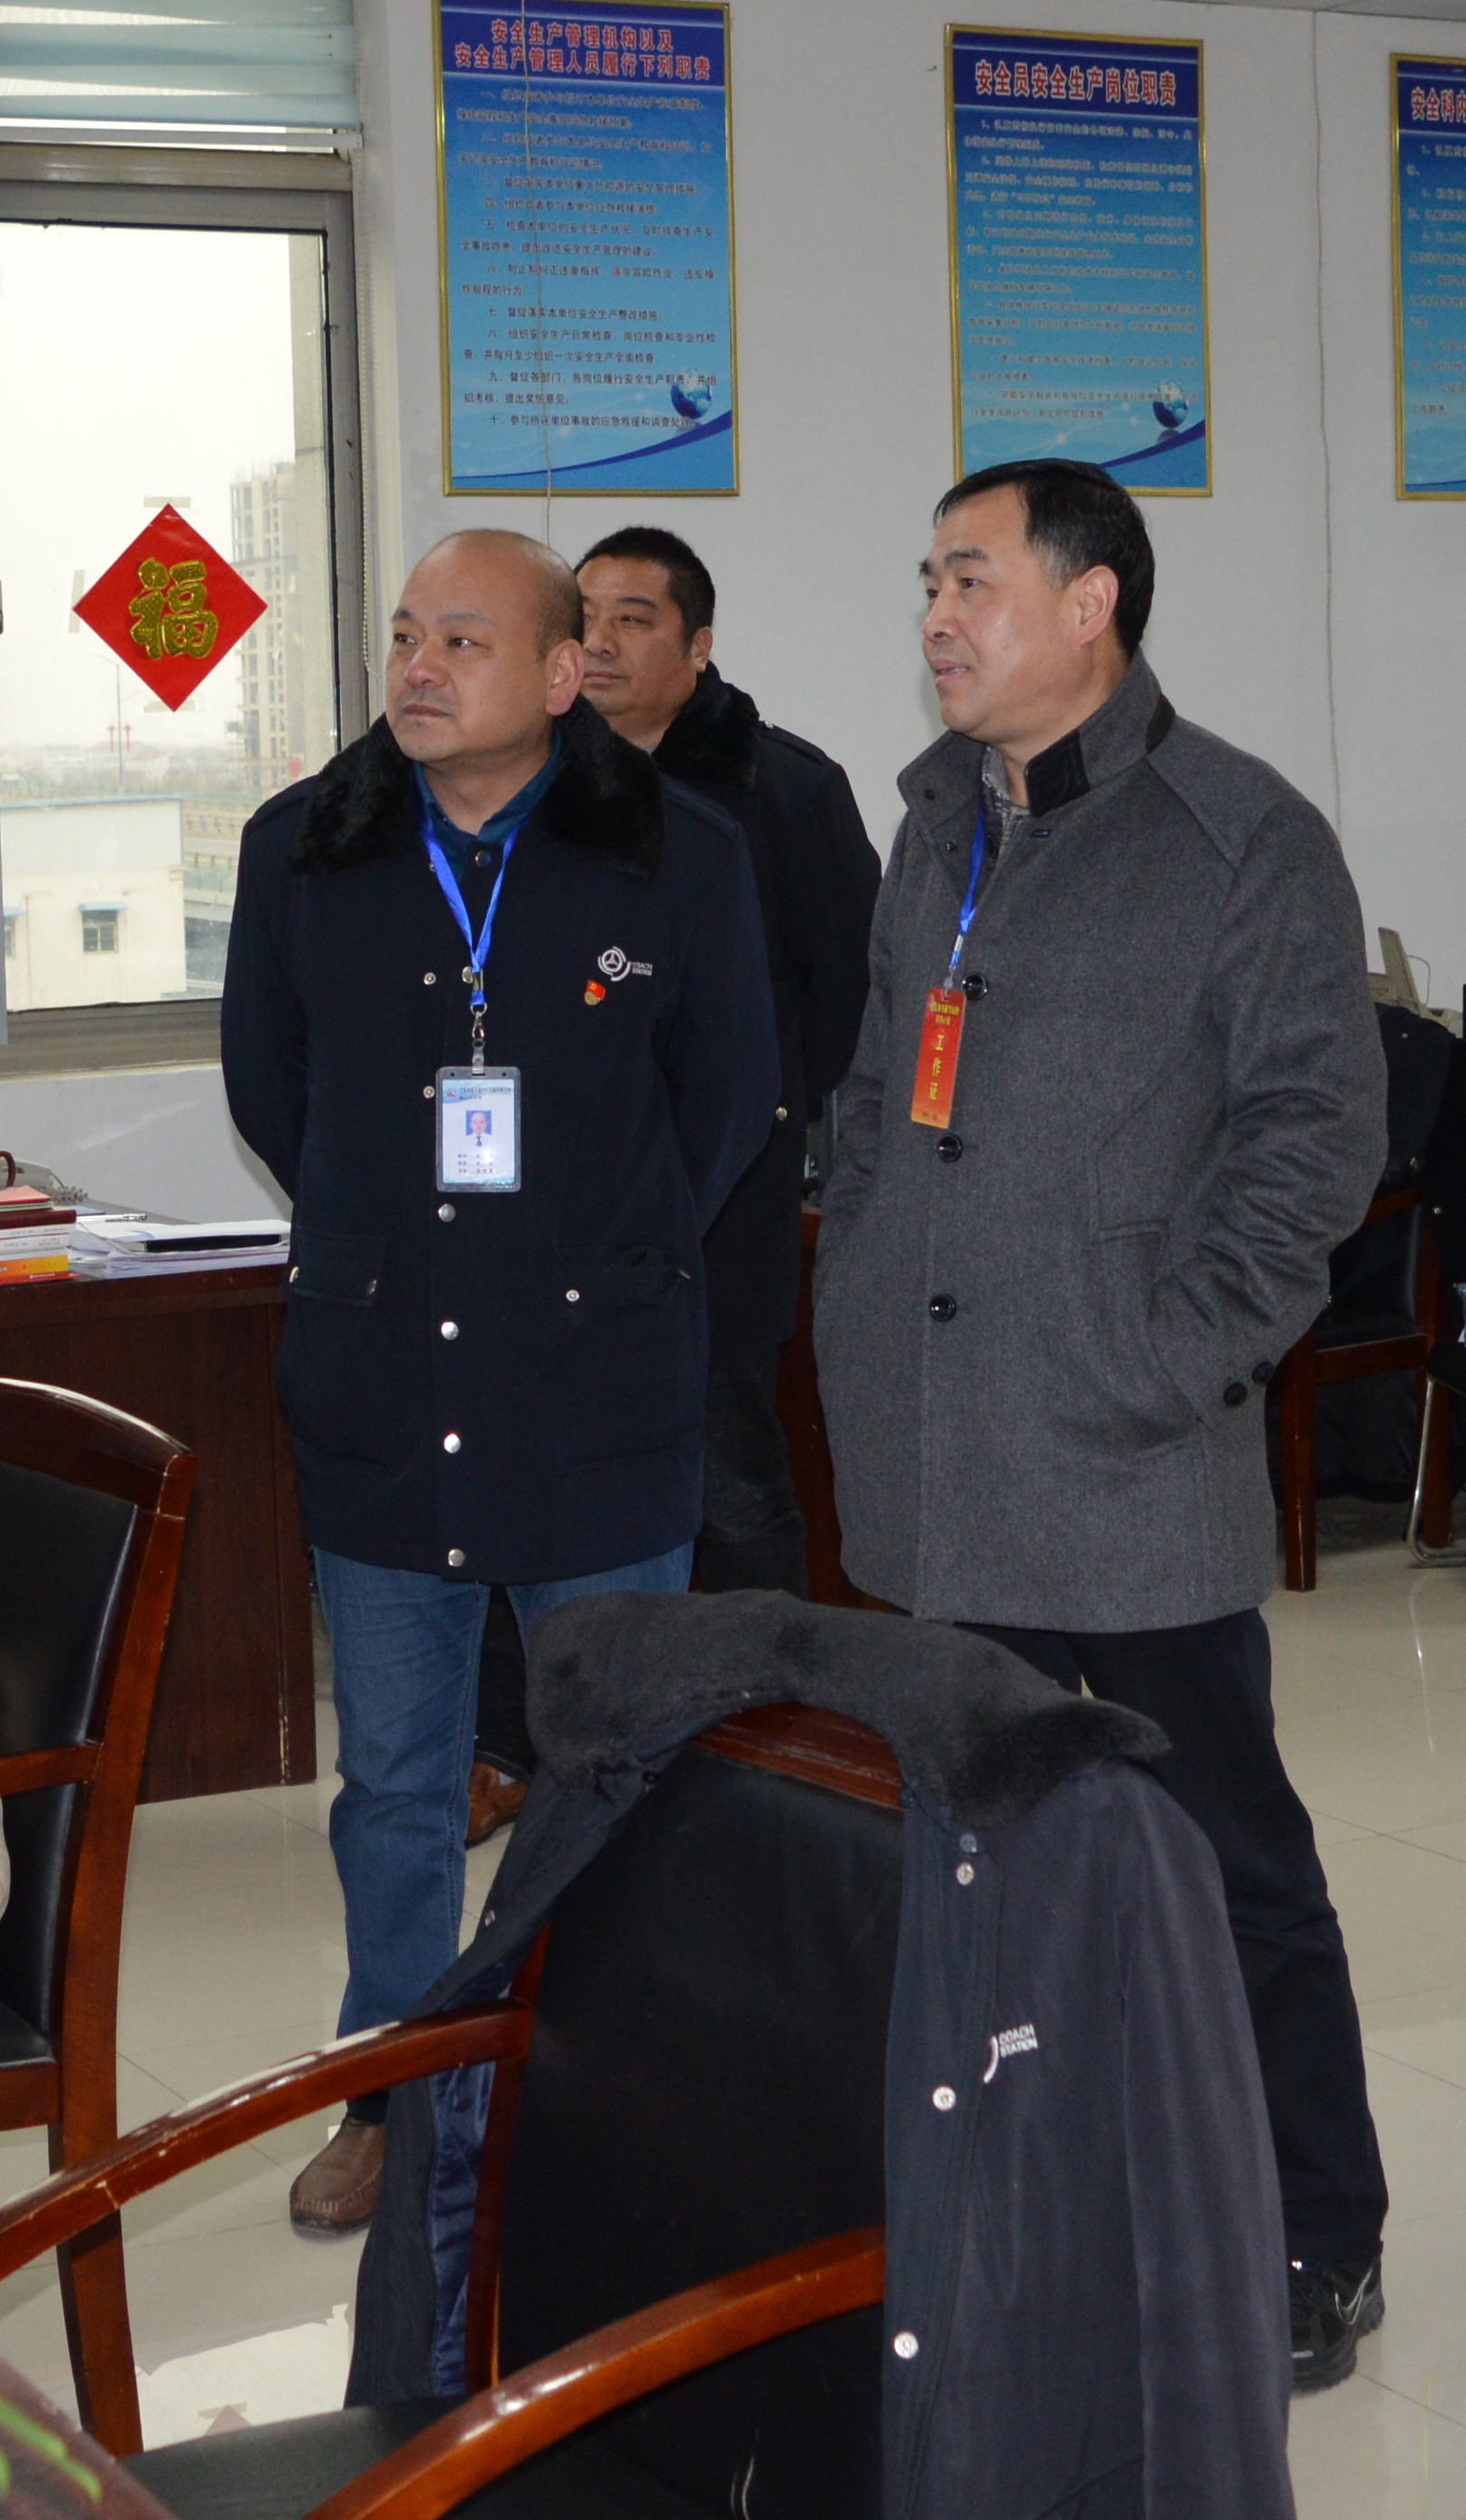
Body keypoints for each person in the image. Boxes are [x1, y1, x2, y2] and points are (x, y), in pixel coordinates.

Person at [808, 456, 1396, 2390]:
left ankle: (1312, 2228)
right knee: (972, 1862)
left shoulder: (1238, 834)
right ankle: (1023, 2193)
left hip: (1121, 1460)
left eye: (971, 578)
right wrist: (857, 1269)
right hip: (930, 1448)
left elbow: (1314, 1134)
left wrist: (1172, 1355)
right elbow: (883, 1090)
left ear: (1091, 603)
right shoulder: (933, 825)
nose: (934, 616)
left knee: (1220, 1863)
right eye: (926, 578)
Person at [222, 528, 778, 2235]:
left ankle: (604, 2097)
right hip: (384, 1377)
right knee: (397, 1782)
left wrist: (600, 1258)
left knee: (614, 1775)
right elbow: (272, 1089)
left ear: (559, 674)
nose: (418, 665)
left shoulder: (676, 852)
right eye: (405, 634)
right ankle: (394, 2102)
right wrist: (397, 1239)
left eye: (464, 640)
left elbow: (730, 1099)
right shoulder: (304, 848)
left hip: (596, 1386)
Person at [572, 523, 877, 1587]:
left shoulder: (782, 790)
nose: (598, 643)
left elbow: (852, 993)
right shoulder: (533, 783)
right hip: (567, 1200)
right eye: (583, 619)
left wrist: (763, 1104)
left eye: (632, 620)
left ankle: (758, 1688)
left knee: (729, 1478)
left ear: (698, 647)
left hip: (725, 1198)